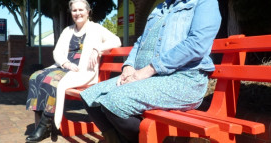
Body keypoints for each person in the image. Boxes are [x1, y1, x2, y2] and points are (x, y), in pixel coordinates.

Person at [79, 0, 222, 142]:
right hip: (150, 78)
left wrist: (148, 70)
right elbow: (141, 41)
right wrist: (128, 66)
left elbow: (197, 44)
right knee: (89, 96)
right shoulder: (160, 8)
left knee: (114, 103)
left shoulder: (204, 2)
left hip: (185, 79)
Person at [25, 0, 121, 142]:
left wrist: (97, 49)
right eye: (74, 10)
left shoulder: (96, 29)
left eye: (81, 10)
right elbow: (57, 51)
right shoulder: (67, 30)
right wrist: (65, 63)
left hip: (82, 70)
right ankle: (42, 124)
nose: (78, 13)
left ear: (88, 12)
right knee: (35, 76)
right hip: (66, 66)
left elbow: (116, 41)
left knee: (51, 80)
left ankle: (46, 125)